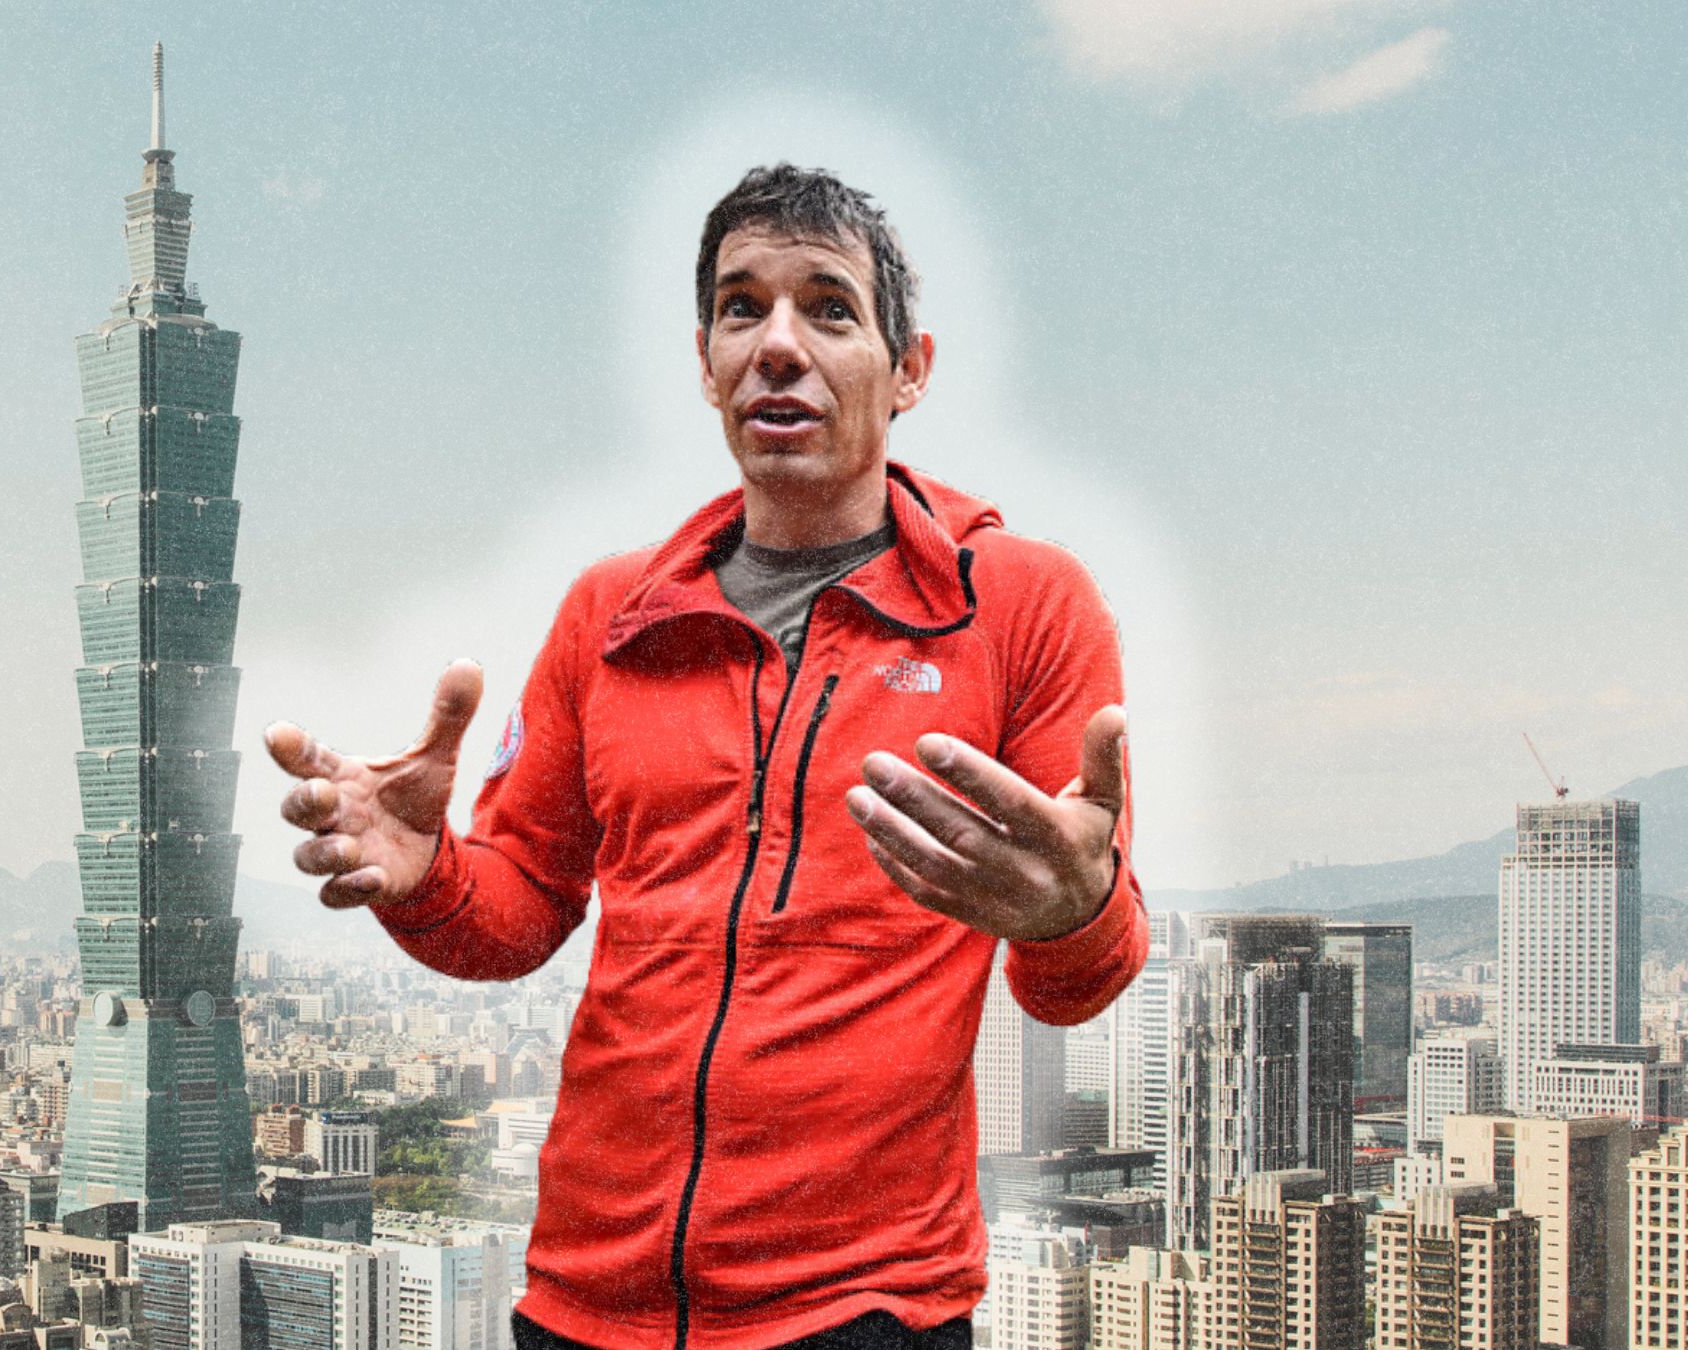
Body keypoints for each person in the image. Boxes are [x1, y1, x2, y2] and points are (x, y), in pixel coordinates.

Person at [264, 164, 1148, 1350]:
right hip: (583, 1304)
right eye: (742, 308)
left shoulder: (1021, 606)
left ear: (912, 369)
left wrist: (1072, 910)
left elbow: (1074, 978)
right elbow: (518, 913)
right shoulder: (611, 615)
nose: (778, 345)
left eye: (829, 308)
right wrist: (426, 873)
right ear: (705, 361)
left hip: (862, 1310)